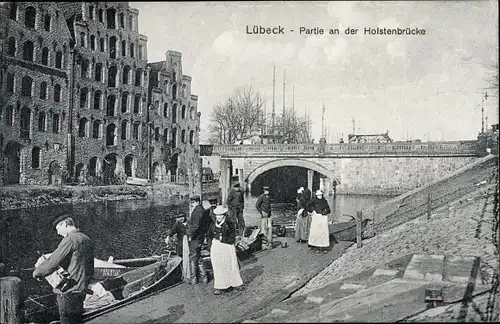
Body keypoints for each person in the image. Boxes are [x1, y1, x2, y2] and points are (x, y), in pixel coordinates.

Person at [32, 213, 94, 324]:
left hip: (68, 291)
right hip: (82, 289)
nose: (58, 232)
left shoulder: (70, 239)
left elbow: (52, 262)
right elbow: (89, 267)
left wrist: (37, 272)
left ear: (64, 224)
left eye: (58, 228)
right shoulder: (87, 238)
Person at [207, 205, 244, 295]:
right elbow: (209, 235)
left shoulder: (229, 224)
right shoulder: (213, 224)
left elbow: (232, 237)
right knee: (218, 266)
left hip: (226, 246)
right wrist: (210, 246)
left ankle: (235, 283)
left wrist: (222, 238)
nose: (218, 217)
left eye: (220, 215)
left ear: (224, 215)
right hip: (216, 247)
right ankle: (221, 286)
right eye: (217, 215)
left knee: (230, 265)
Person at [186, 195, 209, 284]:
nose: (192, 204)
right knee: (198, 257)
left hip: (195, 238)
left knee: (192, 257)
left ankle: (193, 279)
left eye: (193, 202)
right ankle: (204, 277)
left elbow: (196, 226)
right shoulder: (202, 210)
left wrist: (190, 235)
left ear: (197, 202)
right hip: (200, 237)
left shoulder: (197, 211)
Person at [164, 213, 191, 283]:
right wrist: (168, 237)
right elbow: (172, 231)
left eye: (182, 217)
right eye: (179, 218)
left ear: (185, 217)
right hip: (181, 245)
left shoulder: (190, 222)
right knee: (181, 258)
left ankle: (189, 275)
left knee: (190, 259)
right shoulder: (177, 224)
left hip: (189, 244)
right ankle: (181, 275)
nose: (181, 219)